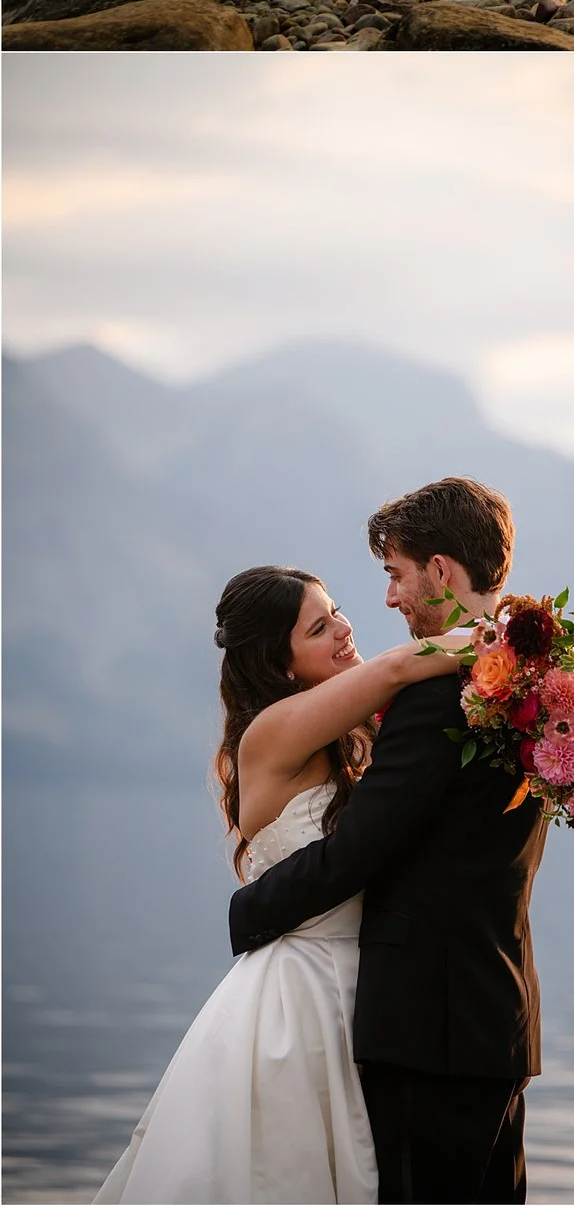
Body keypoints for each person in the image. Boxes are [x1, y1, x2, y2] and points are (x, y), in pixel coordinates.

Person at [93, 559, 472, 1203]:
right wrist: (499, 641)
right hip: (297, 1003)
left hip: (365, 984)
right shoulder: (270, 735)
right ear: (279, 664)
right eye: (320, 628)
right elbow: (398, 668)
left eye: (337, 611)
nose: (345, 631)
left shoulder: (345, 735)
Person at [224, 478, 547, 1206]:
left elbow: (360, 849)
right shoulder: (534, 684)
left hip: (425, 1030)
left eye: (393, 575)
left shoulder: (441, 693)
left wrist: (245, 913)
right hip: (495, 1014)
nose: (385, 602)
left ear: (439, 569)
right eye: (323, 623)